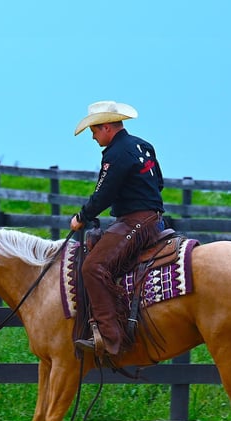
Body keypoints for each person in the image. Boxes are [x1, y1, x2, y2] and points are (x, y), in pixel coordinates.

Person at [70, 100, 165, 357]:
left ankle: (110, 338)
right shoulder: (144, 146)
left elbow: (104, 193)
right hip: (154, 219)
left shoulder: (116, 153)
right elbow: (159, 183)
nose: (92, 136)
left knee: (92, 267)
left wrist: (82, 216)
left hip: (135, 223)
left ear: (107, 127)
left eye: (94, 130)